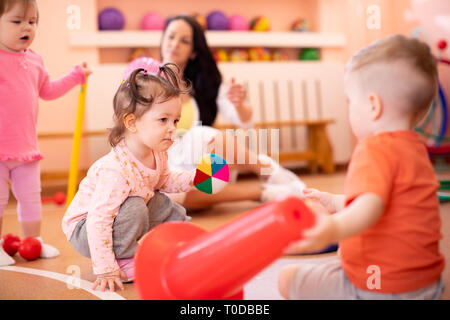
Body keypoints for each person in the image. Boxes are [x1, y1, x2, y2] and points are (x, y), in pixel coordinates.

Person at [278, 35, 445, 300]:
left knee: (286, 279)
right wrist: (333, 201)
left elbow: (369, 209)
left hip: (381, 288)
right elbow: (387, 204)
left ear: (373, 105)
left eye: (350, 101)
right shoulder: (416, 149)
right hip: (427, 285)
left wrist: (331, 230)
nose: (349, 109)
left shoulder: (374, 148)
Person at [62, 65, 196, 292]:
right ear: (132, 122)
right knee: (135, 205)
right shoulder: (115, 171)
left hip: (116, 220)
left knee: (160, 200)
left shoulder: (157, 152)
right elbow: (99, 220)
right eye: (163, 120)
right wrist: (105, 268)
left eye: (175, 121)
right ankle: (123, 258)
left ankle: (182, 237)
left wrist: (196, 178)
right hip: (85, 230)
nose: (172, 128)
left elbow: (165, 180)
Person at [159, 15, 305, 209]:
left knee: (202, 134)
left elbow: (245, 122)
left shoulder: (206, 85)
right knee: (171, 195)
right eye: (170, 37)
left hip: (206, 162)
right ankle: (263, 193)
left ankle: (267, 170)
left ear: (193, 52)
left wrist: (239, 104)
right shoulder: (143, 79)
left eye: (184, 41)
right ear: (162, 40)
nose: (174, 44)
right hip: (166, 164)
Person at [0, 0, 91, 267]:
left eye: (32, 21)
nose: (26, 27)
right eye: (17, 21)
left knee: (30, 198)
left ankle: (34, 241)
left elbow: (48, 90)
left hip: (26, 149)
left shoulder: (36, 60)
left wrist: (76, 76)